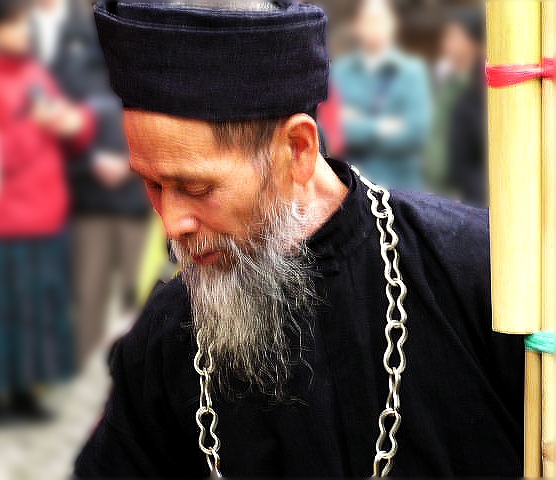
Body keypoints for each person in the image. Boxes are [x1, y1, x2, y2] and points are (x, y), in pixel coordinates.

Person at [75, 1, 523, 477]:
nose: (171, 224)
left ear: (298, 149)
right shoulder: (162, 344)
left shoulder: (488, 272)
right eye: (153, 185)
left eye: (196, 188)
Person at [33, 0, 152, 368]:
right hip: (86, 198)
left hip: (138, 197)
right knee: (88, 295)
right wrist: (93, 158)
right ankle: (76, 374)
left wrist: (132, 162)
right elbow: (56, 127)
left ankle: (135, 373)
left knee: (145, 296)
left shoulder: (141, 52)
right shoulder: (65, 56)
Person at [0, 0, 94, 421]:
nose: (24, 36)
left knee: (39, 309)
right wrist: (30, 127)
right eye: (16, 28)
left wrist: (72, 124)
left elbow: (77, 130)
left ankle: (27, 392)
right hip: (10, 221)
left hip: (48, 213)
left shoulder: (36, 74)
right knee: (9, 310)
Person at [331, 0, 431, 191]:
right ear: (356, 26)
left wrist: (357, 123)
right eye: (369, 20)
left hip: (403, 187)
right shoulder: (338, 73)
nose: (376, 27)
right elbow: (333, 130)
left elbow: (416, 133)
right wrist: (381, 127)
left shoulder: (412, 72)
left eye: (381, 20)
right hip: (351, 187)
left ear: (393, 25)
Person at [424, 8, 485, 198]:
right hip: (436, 184)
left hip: (469, 192)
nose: (446, 43)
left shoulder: (481, 88)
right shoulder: (444, 78)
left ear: (475, 43)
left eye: (455, 36)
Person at [446, 8, 488, 208]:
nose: (447, 45)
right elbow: (459, 166)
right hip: (479, 204)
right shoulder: (460, 94)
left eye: (454, 37)